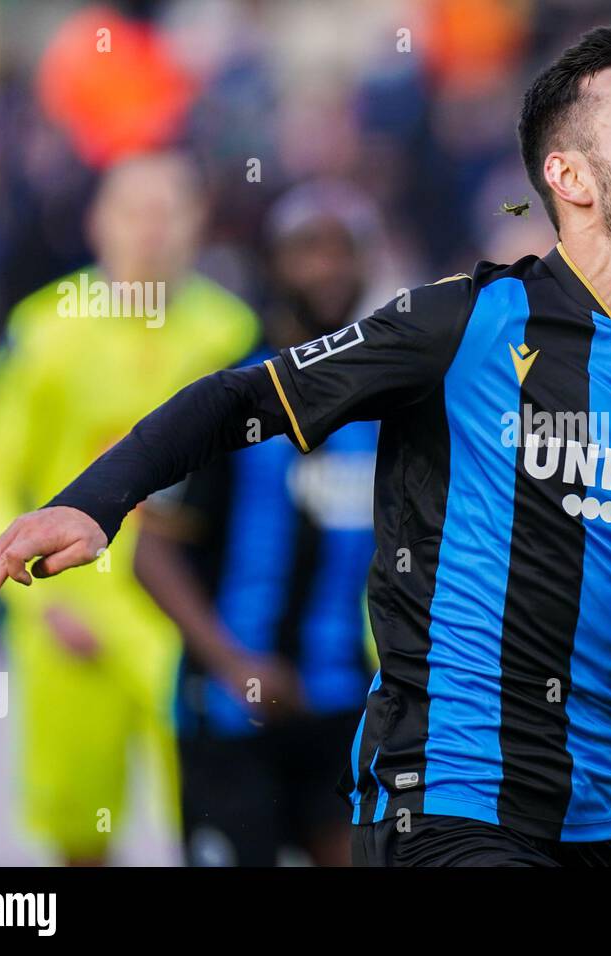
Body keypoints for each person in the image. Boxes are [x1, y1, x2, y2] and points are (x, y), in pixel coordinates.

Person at [0, 23, 611, 867]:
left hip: (603, 823)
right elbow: (245, 395)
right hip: (443, 805)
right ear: (573, 177)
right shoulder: (467, 322)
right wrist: (94, 500)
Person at [0, 152, 259, 865]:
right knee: (79, 831)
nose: (150, 232)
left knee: (214, 818)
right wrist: (36, 606)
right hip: (71, 618)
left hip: (185, 618)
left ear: (198, 223)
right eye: (133, 212)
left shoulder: (232, 334)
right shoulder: (46, 330)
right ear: (98, 223)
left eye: (168, 212)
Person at [133, 183, 380, 866]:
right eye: (308, 249)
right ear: (272, 265)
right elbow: (150, 556)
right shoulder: (226, 397)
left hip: (341, 706)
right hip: (229, 713)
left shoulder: (385, 406)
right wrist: (236, 666)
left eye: (345, 250)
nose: (328, 266)